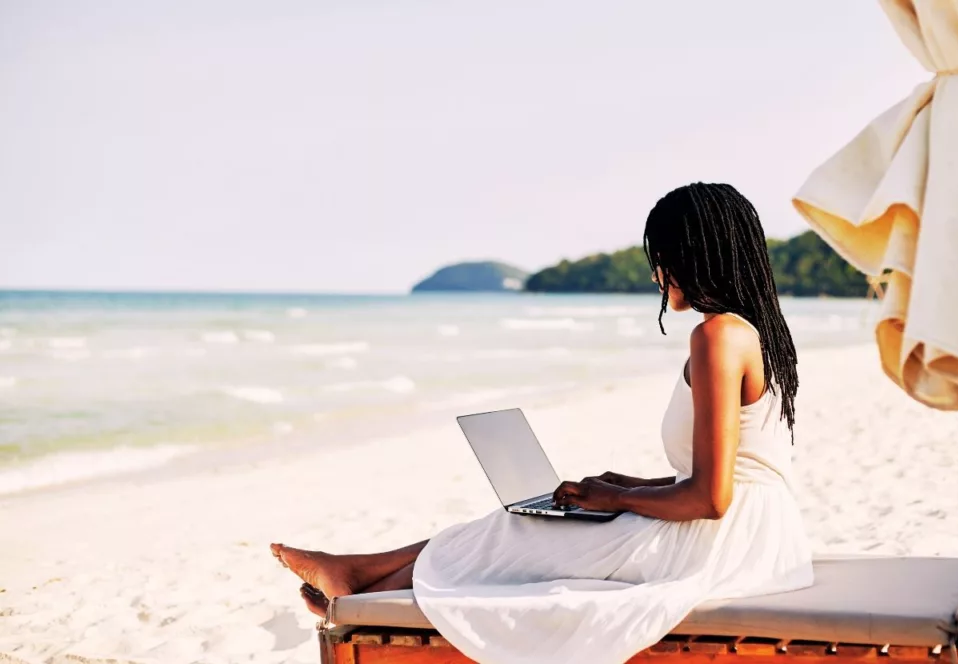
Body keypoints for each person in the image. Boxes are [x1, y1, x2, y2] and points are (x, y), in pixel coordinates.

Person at [271, 182, 814, 664]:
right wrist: (627, 485)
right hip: (756, 532)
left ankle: (361, 593)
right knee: (533, 519)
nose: (657, 272)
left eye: (663, 256)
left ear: (695, 255)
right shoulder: (749, 330)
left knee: (520, 527)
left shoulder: (717, 337)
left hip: (723, 541)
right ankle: (360, 579)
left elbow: (712, 498)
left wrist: (618, 501)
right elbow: (734, 473)